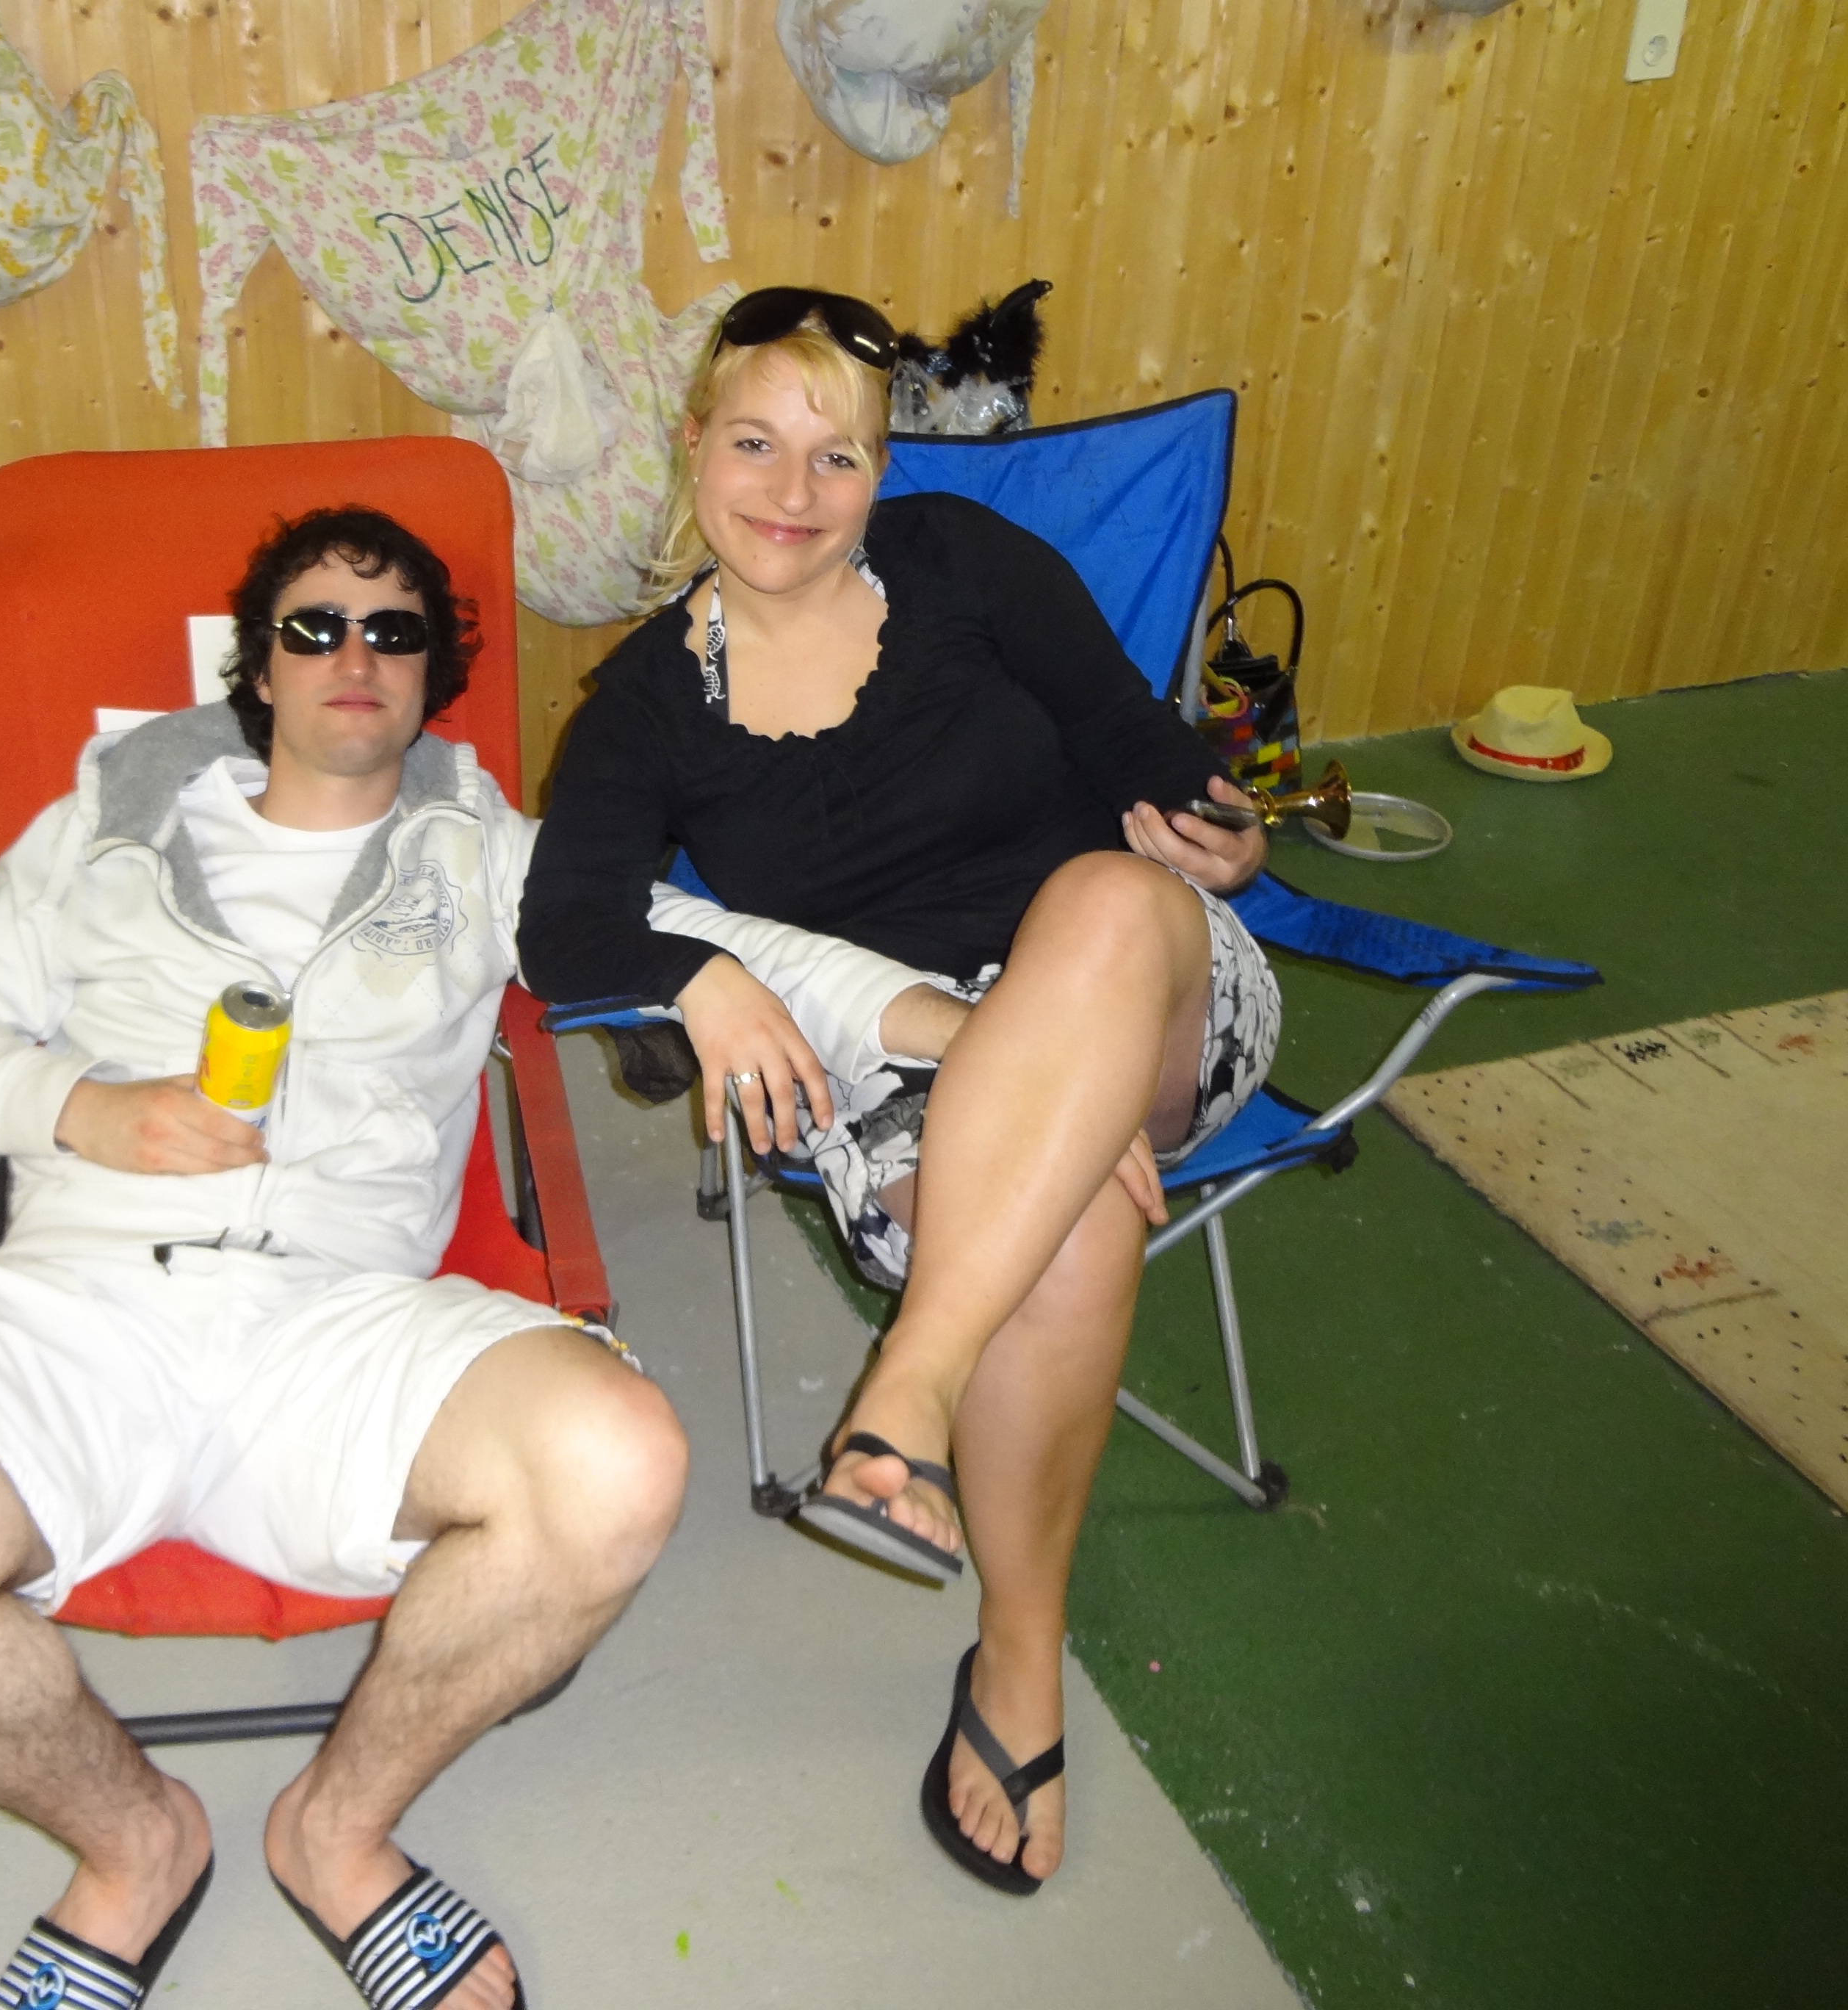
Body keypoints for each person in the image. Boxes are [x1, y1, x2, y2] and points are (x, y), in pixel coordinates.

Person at [0, 505, 936, 2010]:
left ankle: (338, 1830)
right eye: (315, 626)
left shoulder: (487, 853)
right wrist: (87, 1109)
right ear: (260, 666)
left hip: (340, 1325)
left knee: (618, 1461)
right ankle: (135, 1848)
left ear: (433, 675)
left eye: (395, 630)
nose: (354, 654)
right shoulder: (112, 824)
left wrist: (951, 1031)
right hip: (77, 1306)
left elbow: (745, 945)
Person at [517, 289, 1283, 1898]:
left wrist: (1221, 829)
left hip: (1151, 997)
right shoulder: (644, 704)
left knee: (1100, 900)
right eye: (756, 445)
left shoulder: (966, 565)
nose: (794, 493)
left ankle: (910, 1389)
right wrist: (696, 975)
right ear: (694, 448)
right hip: (904, 1065)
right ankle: (1020, 1652)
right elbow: (565, 926)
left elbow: (1138, 744)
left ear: (882, 472)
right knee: (1067, 1231)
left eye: (838, 457)